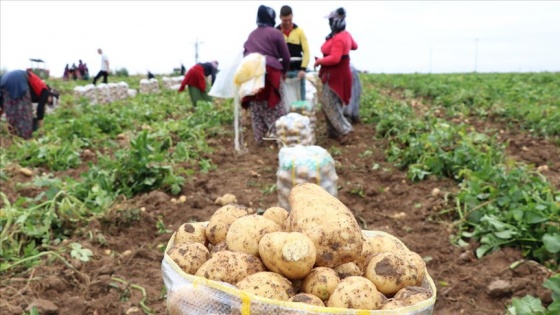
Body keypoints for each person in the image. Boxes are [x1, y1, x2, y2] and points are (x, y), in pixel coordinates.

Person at [240, 5, 291, 146]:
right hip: (271, 73)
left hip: (253, 75)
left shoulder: (252, 35)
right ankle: (279, 140)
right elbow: (286, 57)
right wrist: (284, 71)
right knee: (275, 107)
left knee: (257, 107)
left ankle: (260, 141)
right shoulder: (276, 33)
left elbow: (245, 54)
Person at [314, 7, 358, 143]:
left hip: (336, 75)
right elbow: (355, 46)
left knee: (328, 103)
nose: (329, 23)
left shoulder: (339, 38)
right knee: (333, 103)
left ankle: (345, 130)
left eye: (331, 21)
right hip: (341, 74)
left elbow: (335, 58)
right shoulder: (345, 35)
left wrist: (320, 61)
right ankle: (333, 132)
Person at [0, 69, 59, 139]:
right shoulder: (45, 91)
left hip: (4, 79)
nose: (48, 102)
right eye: (50, 102)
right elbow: (40, 111)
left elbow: (4, 103)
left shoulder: (39, 90)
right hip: (19, 79)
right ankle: (24, 138)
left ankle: (13, 136)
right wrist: (41, 131)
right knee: (26, 116)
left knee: (11, 111)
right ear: (51, 96)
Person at [276, 5, 310, 101]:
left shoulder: (299, 31)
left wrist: (303, 69)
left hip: (297, 71)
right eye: (285, 20)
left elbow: (306, 51)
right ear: (280, 18)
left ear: (292, 16)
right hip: (282, 73)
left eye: (289, 20)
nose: (287, 23)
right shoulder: (276, 32)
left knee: (300, 98)